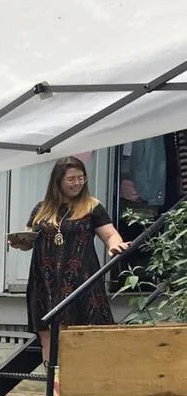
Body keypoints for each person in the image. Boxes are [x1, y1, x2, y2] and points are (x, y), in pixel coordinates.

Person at [8, 156, 128, 364]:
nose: (77, 183)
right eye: (71, 179)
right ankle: (55, 393)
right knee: (48, 337)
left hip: (81, 280)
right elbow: (30, 239)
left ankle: (83, 391)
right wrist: (20, 242)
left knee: (82, 335)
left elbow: (110, 234)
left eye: (81, 178)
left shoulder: (91, 206)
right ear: (58, 181)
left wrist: (115, 245)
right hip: (45, 282)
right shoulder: (41, 209)